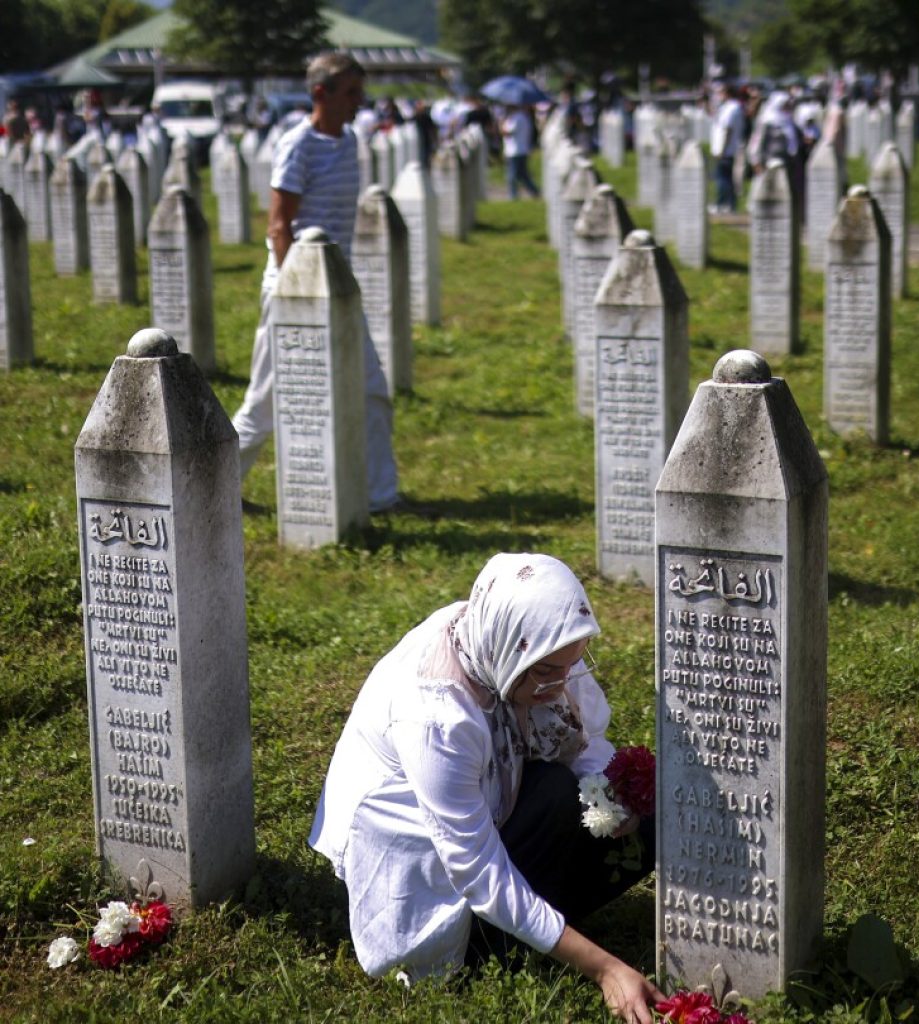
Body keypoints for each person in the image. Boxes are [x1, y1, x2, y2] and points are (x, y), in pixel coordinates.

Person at [309, 552, 666, 1023]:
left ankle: (538, 925)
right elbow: (477, 871)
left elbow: (584, 746)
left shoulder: (512, 638)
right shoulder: (437, 715)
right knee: (556, 799)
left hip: (485, 812)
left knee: (633, 813)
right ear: (511, 654)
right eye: (545, 672)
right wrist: (605, 969)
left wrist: (618, 798)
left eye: (570, 664)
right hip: (422, 869)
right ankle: (486, 942)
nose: (560, 685)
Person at [231, 51, 398, 511]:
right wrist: (294, 294)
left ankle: (382, 497)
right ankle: (214, 484)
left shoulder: (347, 142)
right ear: (320, 93)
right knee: (264, 405)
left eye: (361, 92)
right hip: (294, 287)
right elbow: (279, 225)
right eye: (351, 92)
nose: (360, 102)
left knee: (372, 391)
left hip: (337, 287)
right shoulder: (297, 144)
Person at [709, 82, 746, 213]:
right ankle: (729, 205)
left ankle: (721, 204)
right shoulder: (726, 107)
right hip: (723, 149)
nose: (718, 96)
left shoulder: (733, 108)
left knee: (723, 179)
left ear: (727, 93)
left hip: (726, 149)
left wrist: (722, 149)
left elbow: (727, 130)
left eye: (720, 93)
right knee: (726, 178)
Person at [501, 104, 539, 200]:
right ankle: (534, 191)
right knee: (522, 175)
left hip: (516, 150)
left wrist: (500, 124)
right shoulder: (522, 117)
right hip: (519, 149)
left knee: (512, 176)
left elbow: (508, 132)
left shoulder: (518, 118)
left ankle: (513, 196)